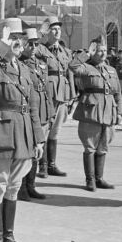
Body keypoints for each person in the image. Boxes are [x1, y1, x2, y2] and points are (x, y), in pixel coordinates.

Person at [0, 18, 45, 242]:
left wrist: (39, 138)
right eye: (14, 38)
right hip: (1, 132)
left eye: (21, 39)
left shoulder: (25, 69)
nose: (19, 43)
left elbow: (34, 106)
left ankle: (9, 237)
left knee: (14, 186)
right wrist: (0, 43)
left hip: (24, 133)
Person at [68, 37, 122, 191]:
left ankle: (99, 178)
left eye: (105, 50)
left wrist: (120, 112)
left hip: (108, 112)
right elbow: (72, 66)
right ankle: (90, 180)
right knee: (90, 146)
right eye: (99, 50)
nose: (103, 53)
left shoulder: (111, 70)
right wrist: (86, 53)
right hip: (91, 112)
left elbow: (117, 93)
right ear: (93, 51)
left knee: (103, 146)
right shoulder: (85, 67)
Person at [34, 16, 75, 178]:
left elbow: (70, 72)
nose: (57, 32)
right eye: (53, 29)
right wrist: (39, 32)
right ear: (47, 31)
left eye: (59, 29)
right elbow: (28, 47)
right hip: (47, 94)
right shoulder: (40, 48)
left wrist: (72, 95)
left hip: (62, 94)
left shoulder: (65, 51)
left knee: (55, 130)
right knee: (44, 129)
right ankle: (42, 166)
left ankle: (52, 164)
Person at [18, 28, 54, 201]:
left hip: (43, 109)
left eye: (35, 44)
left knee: (38, 150)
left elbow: (46, 88)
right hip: (30, 112)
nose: (32, 47)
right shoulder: (18, 63)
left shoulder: (41, 62)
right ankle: (21, 187)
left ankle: (31, 186)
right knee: (27, 151)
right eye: (29, 44)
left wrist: (51, 111)